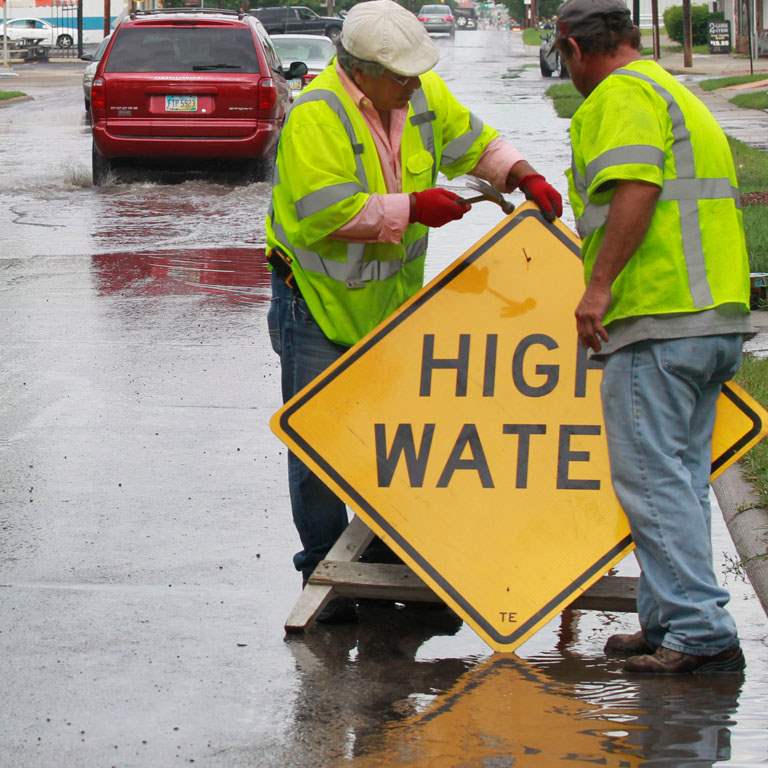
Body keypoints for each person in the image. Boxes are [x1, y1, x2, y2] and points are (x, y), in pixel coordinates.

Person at [266, 0, 562, 620]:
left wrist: (522, 174)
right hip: (316, 308)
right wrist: (411, 208)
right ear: (361, 69)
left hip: (388, 310)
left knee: (392, 441)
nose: (413, 86)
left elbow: (475, 141)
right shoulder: (317, 116)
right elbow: (325, 213)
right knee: (320, 445)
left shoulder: (416, 97)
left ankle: (386, 563)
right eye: (401, 77)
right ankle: (326, 571)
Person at [555, 0, 752, 672]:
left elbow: (638, 185)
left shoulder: (621, 95)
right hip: (714, 318)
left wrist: (599, 284)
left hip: (658, 319)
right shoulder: (672, 88)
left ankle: (697, 630)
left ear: (575, 47)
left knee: (650, 479)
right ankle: (669, 618)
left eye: (564, 58)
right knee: (680, 479)